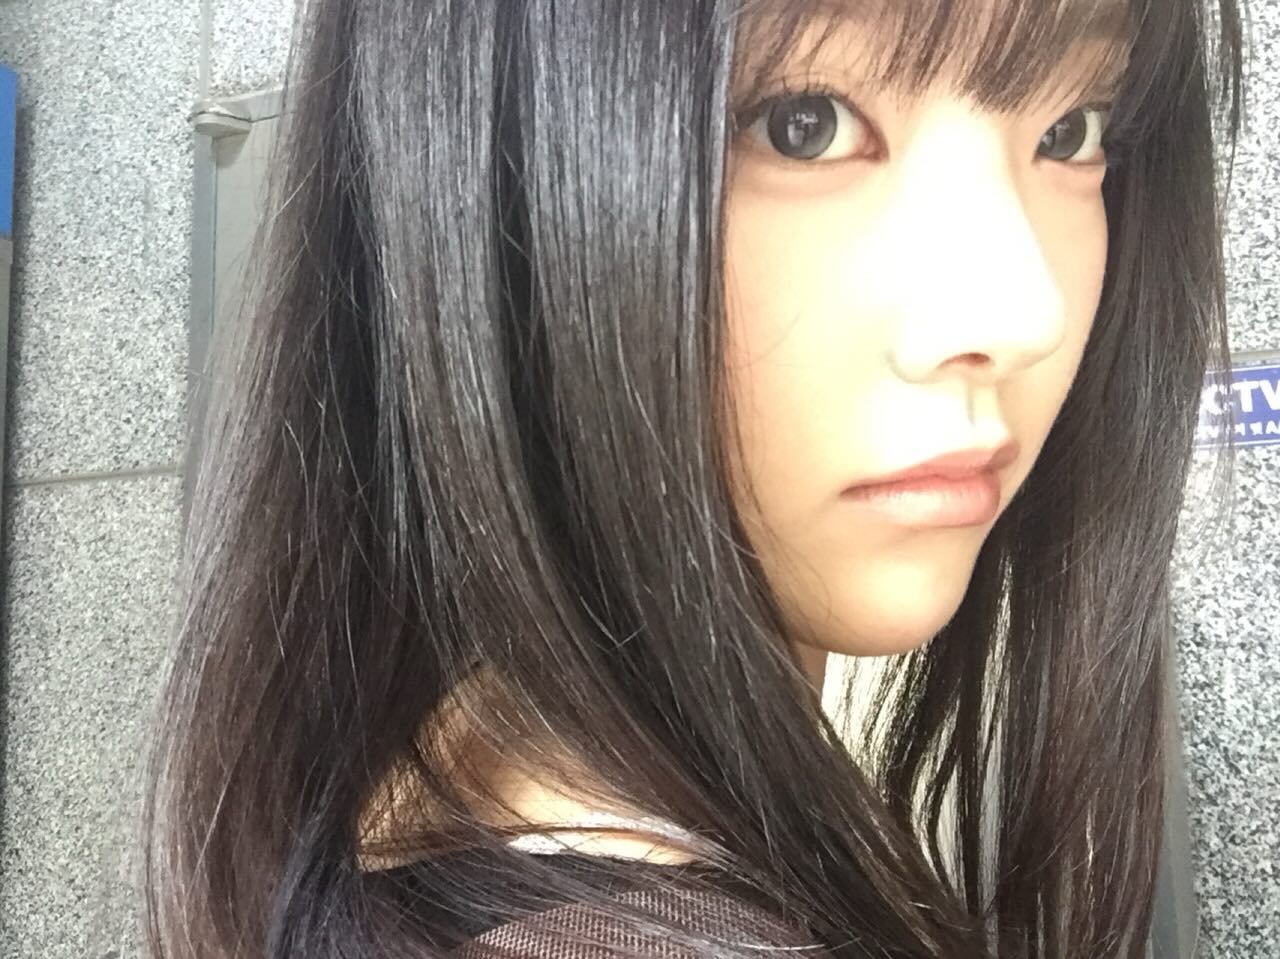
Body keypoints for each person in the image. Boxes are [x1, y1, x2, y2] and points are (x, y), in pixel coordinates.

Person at [138, 0, 1247, 955]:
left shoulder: (395, 819)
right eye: (803, 123)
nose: (1024, 310)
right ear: (486, 184)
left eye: (1070, 129)